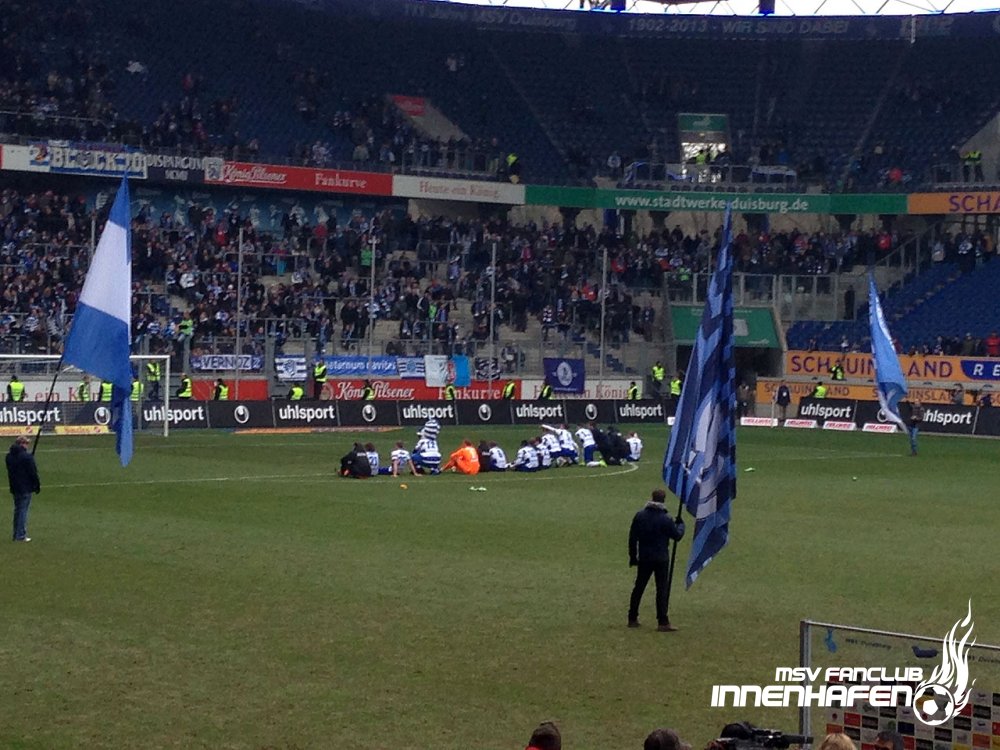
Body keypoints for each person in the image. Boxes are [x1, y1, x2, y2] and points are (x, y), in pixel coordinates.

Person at [628, 489, 685, 631]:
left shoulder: (640, 516)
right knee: (661, 589)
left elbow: (632, 538)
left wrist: (633, 557)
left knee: (639, 587)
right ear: (663, 500)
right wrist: (681, 525)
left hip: (645, 557)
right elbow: (677, 536)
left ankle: (632, 617)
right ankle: (662, 621)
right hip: (661, 558)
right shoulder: (666, 519)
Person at [7, 435, 40, 542]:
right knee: (23, 511)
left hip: (15, 486)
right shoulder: (26, 457)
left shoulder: (9, 456)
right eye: (26, 443)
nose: (27, 445)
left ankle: (16, 533)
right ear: (22, 444)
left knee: (18, 510)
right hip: (25, 487)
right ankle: (21, 535)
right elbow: (33, 472)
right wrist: (36, 485)